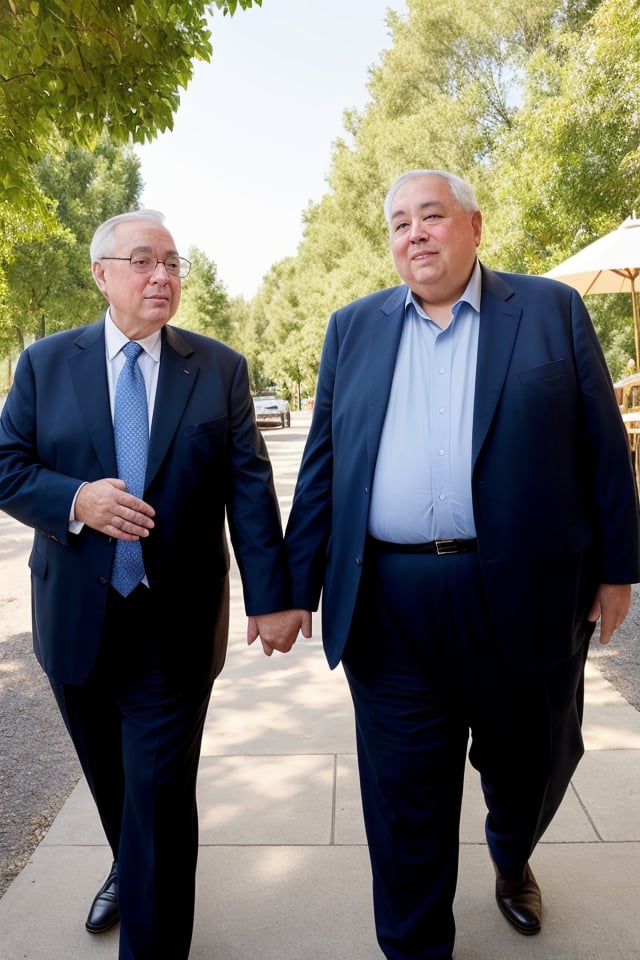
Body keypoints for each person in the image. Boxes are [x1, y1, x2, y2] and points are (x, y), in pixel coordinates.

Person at [284, 170, 640, 960]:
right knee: (406, 796)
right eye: (400, 222)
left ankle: (512, 855)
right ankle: (415, 947)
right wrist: (286, 590)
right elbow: (324, 469)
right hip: (391, 603)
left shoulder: (550, 311)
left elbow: (602, 448)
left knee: (530, 765)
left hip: (524, 593)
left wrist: (619, 572)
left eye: (433, 216)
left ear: (474, 226)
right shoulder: (352, 329)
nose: (416, 232)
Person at [0, 209, 305, 960]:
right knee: (116, 787)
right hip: (75, 618)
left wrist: (273, 597)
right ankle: (124, 862)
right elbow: (7, 467)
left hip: (173, 628)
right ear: (102, 274)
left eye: (173, 262)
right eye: (144, 261)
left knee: (162, 803)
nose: (163, 275)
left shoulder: (220, 368)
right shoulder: (44, 365)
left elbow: (249, 488)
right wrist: (76, 500)